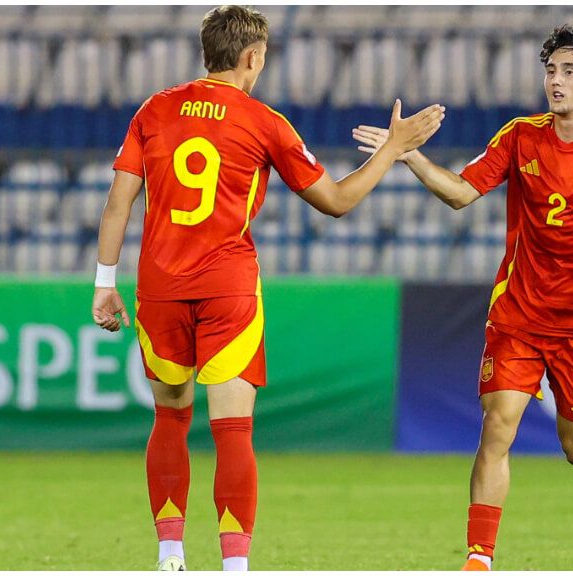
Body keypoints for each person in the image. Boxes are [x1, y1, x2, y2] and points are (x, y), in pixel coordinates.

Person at [90, 6, 444, 571]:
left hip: (159, 286)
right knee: (232, 430)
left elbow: (117, 204)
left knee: (170, 419)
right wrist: (393, 149)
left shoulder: (154, 109)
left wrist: (104, 283)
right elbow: (337, 201)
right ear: (253, 57)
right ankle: (235, 565)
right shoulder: (263, 122)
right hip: (227, 288)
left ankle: (170, 555)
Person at [353, 25, 573, 571]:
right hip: (519, 313)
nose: (556, 81)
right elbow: (462, 193)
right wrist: (408, 157)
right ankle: (479, 558)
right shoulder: (520, 136)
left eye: (570, 71)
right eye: (551, 70)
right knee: (497, 425)